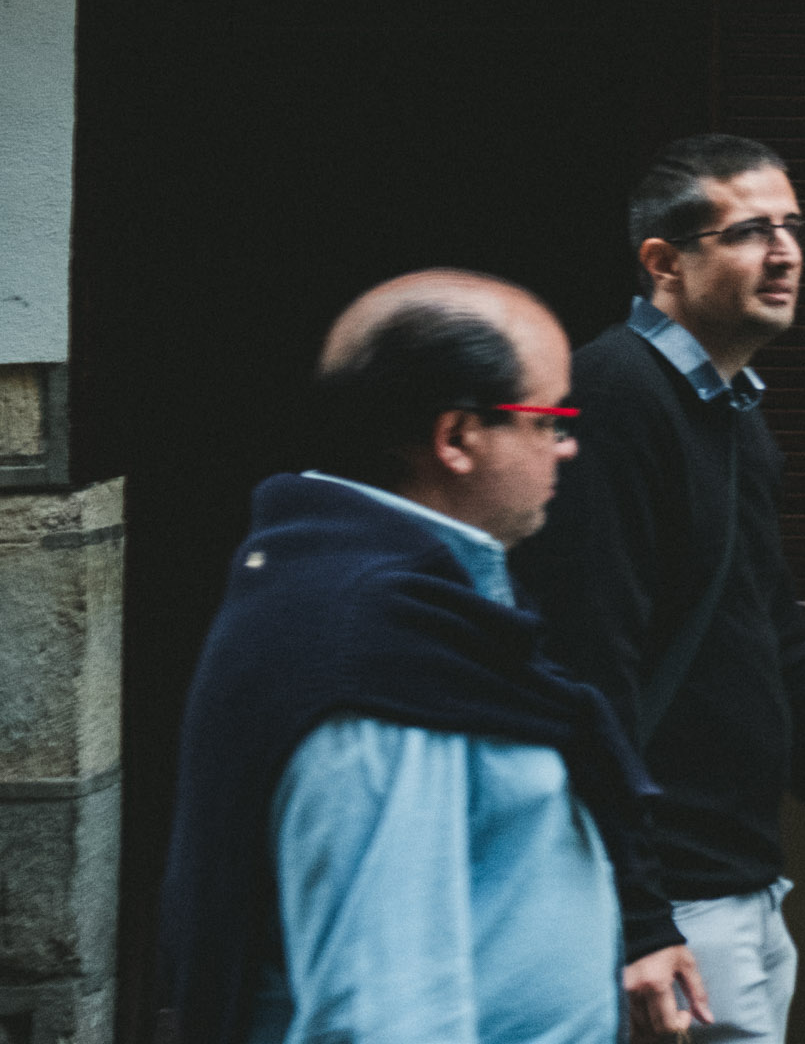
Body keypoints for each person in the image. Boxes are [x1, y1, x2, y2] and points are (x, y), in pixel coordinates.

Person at [159, 270, 650, 1044]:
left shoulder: (363, 596)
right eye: (550, 418)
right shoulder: (378, 659)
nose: (568, 444)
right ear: (457, 438)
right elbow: (383, 1015)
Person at [513, 133, 805, 1044]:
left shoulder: (732, 412)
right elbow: (588, 665)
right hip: (672, 899)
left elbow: (771, 626)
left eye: (794, 228)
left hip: (738, 879)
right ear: (664, 263)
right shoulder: (616, 396)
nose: (786, 252)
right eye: (751, 232)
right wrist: (642, 920)